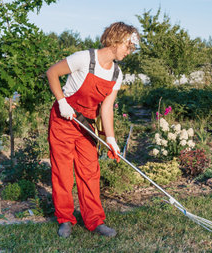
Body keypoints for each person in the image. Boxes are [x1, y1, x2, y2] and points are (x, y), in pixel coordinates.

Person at [46, 22, 139, 238]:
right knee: (62, 172)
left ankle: (95, 220)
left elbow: (106, 108)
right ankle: (65, 220)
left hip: (86, 125)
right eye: (128, 46)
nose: (129, 51)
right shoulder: (84, 58)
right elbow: (52, 73)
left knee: (90, 172)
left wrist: (112, 139)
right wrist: (62, 102)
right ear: (115, 41)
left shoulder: (117, 73)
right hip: (64, 119)